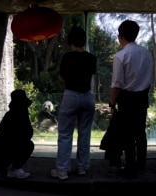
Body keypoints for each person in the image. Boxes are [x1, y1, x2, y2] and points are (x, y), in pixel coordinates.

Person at [50, 26, 97, 180]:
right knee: (84, 134)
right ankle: (82, 167)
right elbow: (90, 75)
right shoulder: (91, 58)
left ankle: (62, 170)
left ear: (71, 41)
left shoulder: (67, 57)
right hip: (87, 97)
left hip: (71, 96)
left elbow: (62, 78)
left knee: (65, 134)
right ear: (84, 41)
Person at [109, 20, 154, 177]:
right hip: (142, 97)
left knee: (127, 133)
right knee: (140, 132)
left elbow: (117, 85)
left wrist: (112, 104)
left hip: (127, 98)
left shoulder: (121, 56)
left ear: (120, 36)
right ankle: (141, 164)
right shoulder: (147, 53)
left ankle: (130, 166)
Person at [0, 89, 34, 179]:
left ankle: (8, 167)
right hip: (0, 153)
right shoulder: (17, 116)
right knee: (28, 145)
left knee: (23, 144)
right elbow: (25, 135)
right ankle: (12, 169)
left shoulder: (11, 114)